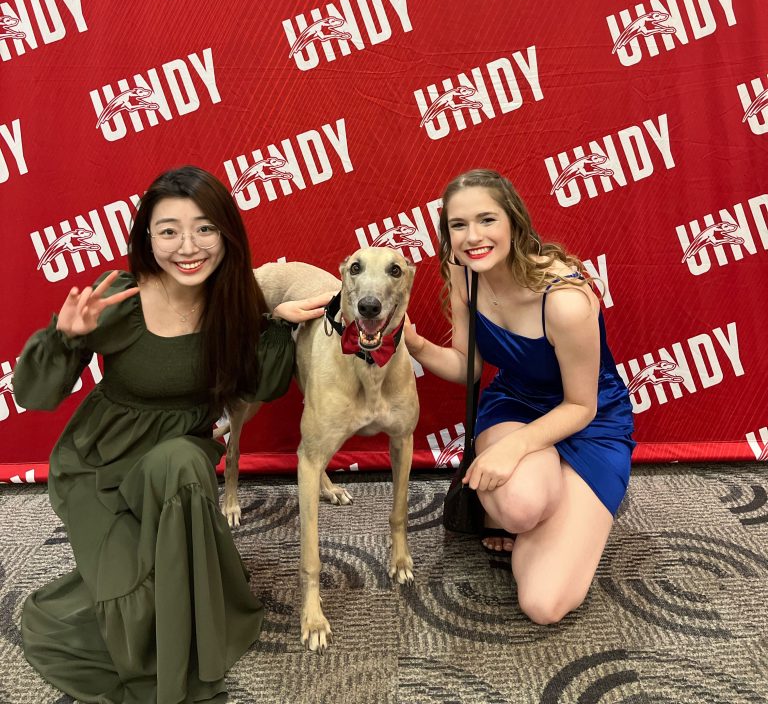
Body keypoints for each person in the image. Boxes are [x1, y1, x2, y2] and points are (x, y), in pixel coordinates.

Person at [13, 165, 329, 704]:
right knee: (129, 602)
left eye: (204, 228)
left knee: (182, 461)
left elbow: (265, 383)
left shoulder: (234, 302)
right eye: (169, 231)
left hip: (176, 469)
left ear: (227, 233)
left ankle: (197, 630)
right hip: (99, 465)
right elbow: (33, 395)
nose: (188, 246)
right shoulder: (121, 297)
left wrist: (277, 322)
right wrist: (64, 340)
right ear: (147, 237)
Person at [404, 169, 634, 625]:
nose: (473, 237)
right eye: (458, 225)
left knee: (543, 606)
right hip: (516, 403)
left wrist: (514, 448)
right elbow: (469, 368)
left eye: (487, 220)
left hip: (591, 419)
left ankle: (564, 499)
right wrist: (414, 345)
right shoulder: (463, 272)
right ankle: (534, 505)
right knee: (520, 504)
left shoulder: (566, 298)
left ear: (513, 221)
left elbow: (581, 406)